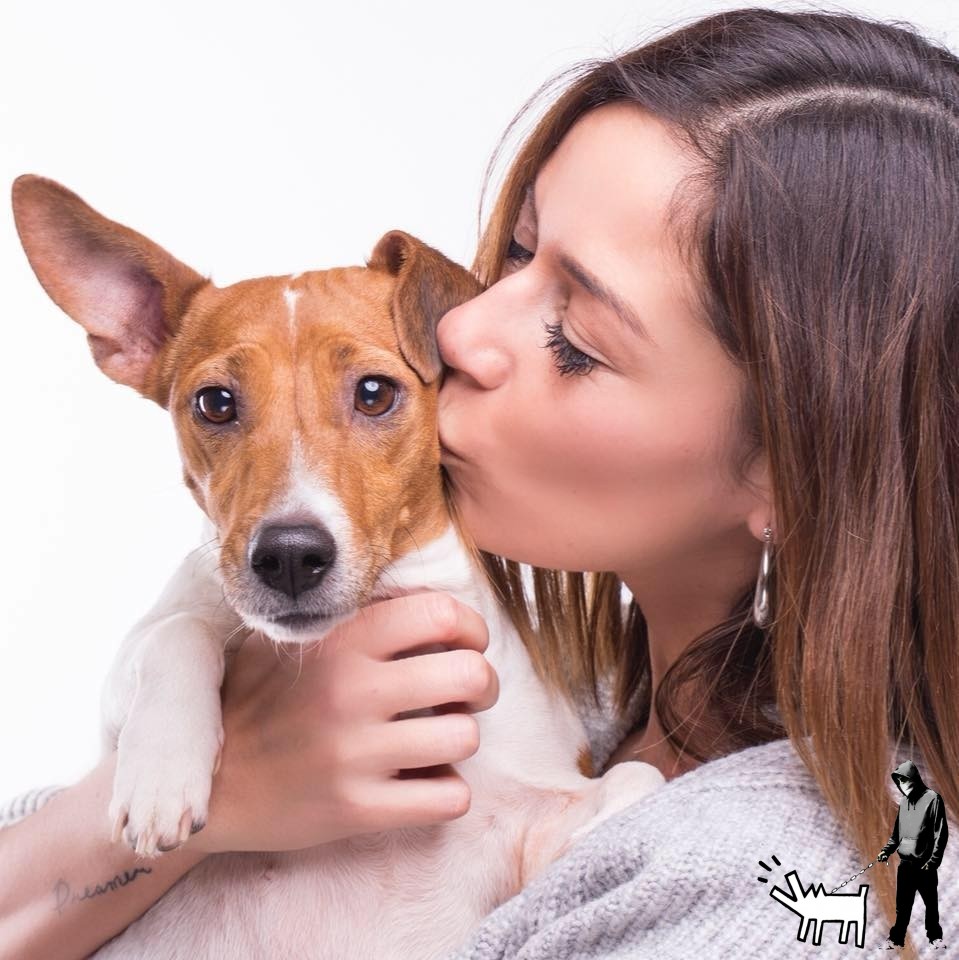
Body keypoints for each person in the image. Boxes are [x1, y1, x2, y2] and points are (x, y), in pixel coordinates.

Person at [2, 6, 958, 958]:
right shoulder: (570, 703)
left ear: (790, 467)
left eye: (576, 341)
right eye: (516, 252)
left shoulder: (781, 888)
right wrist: (219, 791)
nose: (454, 332)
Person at [878, 761, 949, 950]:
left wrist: (933, 861)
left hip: (925, 864)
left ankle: (934, 936)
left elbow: (940, 832)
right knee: (903, 905)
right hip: (906, 864)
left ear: (915, 779)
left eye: (906, 781)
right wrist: (887, 851)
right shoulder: (904, 803)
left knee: (930, 904)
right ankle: (897, 938)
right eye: (899, 782)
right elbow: (897, 834)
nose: (903, 786)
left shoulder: (932, 799)